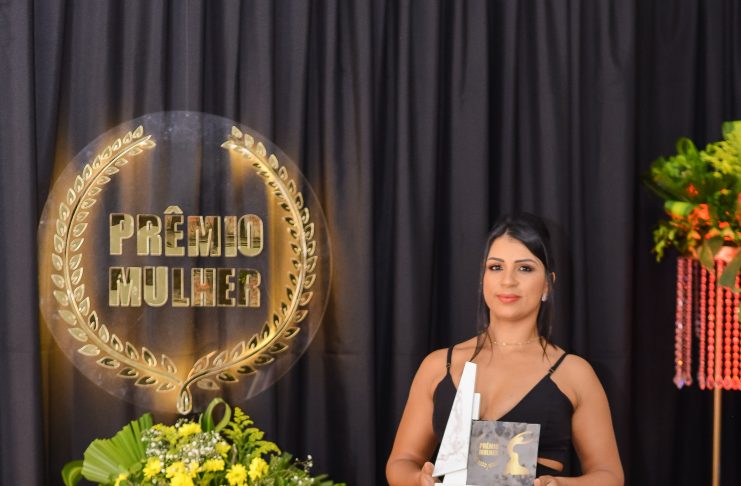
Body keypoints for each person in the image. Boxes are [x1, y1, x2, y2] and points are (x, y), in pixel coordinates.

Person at [386, 213, 624, 486]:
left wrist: (560, 485)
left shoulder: (573, 373)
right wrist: (418, 479)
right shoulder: (439, 365)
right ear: (483, 278)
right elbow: (401, 461)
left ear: (547, 284)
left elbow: (610, 475)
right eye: (496, 267)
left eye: (525, 268)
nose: (508, 280)